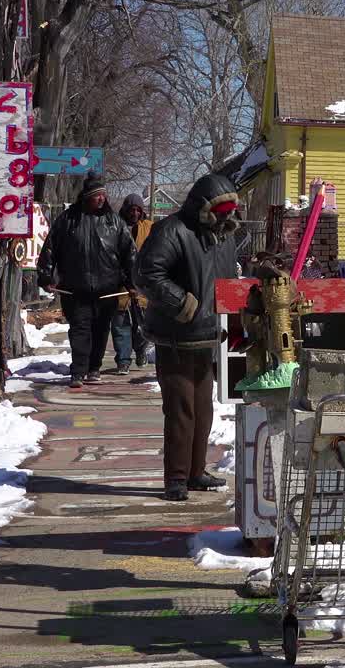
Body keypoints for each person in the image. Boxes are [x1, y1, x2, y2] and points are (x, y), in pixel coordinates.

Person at [137, 173, 240, 501]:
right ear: (203, 208)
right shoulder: (172, 231)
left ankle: (195, 472)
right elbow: (146, 273)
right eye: (220, 211)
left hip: (207, 335)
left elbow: (225, 279)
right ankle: (176, 478)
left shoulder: (222, 237)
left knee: (202, 409)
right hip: (176, 335)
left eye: (229, 212)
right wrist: (183, 303)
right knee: (181, 409)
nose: (226, 217)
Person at [37, 175, 136, 388]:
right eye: (96, 195)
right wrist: (46, 276)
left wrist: (132, 282)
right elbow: (50, 248)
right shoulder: (68, 219)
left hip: (107, 288)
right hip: (75, 287)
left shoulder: (115, 222)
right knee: (80, 330)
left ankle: (94, 368)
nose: (101, 199)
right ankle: (78, 371)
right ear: (86, 197)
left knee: (101, 330)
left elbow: (129, 254)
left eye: (103, 195)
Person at [111, 194, 153, 374]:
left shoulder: (150, 228)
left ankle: (141, 350)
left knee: (141, 323)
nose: (134, 213)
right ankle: (123, 360)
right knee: (120, 324)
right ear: (125, 210)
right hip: (119, 284)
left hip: (142, 284)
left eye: (138, 209)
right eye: (131, 209)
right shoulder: (115, 227)